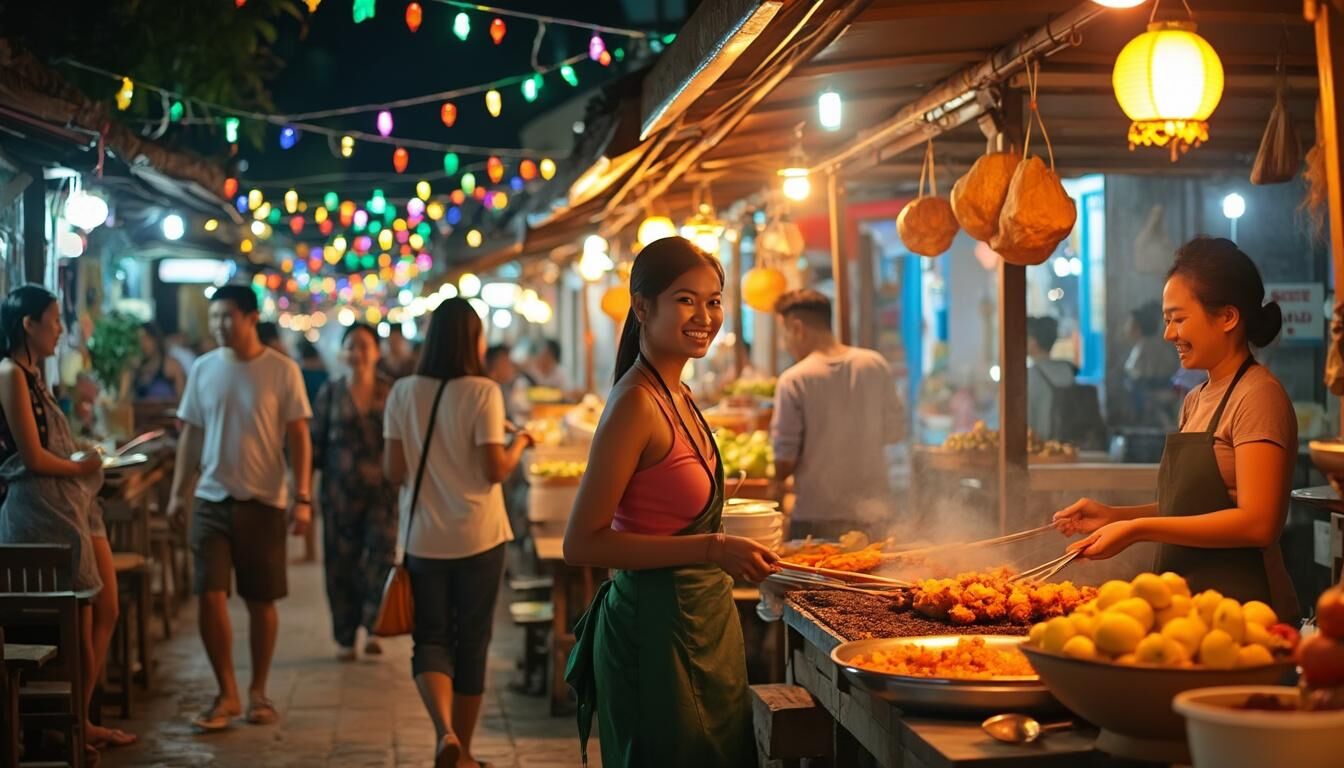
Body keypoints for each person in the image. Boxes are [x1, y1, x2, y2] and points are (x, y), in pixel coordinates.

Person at [564, 237, 778, 767]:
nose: (705, 315)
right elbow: (582, 542)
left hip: (701, 626)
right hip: (655, 636)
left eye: (714, 300)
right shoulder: (637, 403)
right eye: (686, 299)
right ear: (642, 307)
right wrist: (712, 548)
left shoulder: (678, 392)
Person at [1054, 237, 1300, 620]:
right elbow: (1197, 508)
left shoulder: (1258, 396)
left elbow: (1258, 523)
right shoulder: (1197, 398)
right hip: (1188, 608)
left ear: (1227, 317)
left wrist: (1137, 529)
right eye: (1168, 320)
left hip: (1245, 612)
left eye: (1179, 319)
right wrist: (1117, 516)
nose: (1169, 334)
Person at [382, 298, 532, 768]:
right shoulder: (484, 392)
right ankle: (463, 752)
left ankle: (444, 732)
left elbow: (393, 470)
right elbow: (494, 470)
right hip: (479, 538)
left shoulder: (402, 392)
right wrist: (521, 440)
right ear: (473, 339)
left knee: (429, 637)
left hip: (424, 538)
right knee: (472, 640)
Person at [167, 284, 314, 731]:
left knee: (260, 600)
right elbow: (191, 433)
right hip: (211, 497)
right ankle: (226, 691)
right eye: (214, 318)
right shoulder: (204, 369)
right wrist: (179, 491)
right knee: (209, 593)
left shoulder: (282, 370)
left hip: (264, 501)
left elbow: (299, 436)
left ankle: (258, 692)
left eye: (227, 316)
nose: (218, 326)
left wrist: (302, 496)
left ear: (251, 318)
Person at [0, 285, 136, 755]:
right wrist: (80, 466)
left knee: (105, 609)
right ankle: (72, 724)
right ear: (28, 325)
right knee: (74, 622)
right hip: (39, 512)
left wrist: (80, 458)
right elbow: (33, 457)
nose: (61, 329)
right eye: (54, 320)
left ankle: (79, 717)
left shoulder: (38, 374)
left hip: (68, 506)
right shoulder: (9, 373)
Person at [771, 289, 906, 539]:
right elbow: (895, 432)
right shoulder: (874, 364)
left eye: (784, 334)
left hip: (815, 518)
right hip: (874, 514)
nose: (785, 343)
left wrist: (776, 481)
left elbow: (784, 460)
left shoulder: (793, 380)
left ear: (797, 327)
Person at [310, 323, 396, 662]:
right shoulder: (330, 392)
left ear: (376, 351)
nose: (357, 353)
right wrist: (302, 489)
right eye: (351, 346)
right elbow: (314, 442)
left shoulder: (391, 393)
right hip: (338, 494)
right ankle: (345, 634)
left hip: (382, 495)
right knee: (340, 563)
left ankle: (375, 626)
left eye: (364, 346)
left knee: (381, 558)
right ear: (342, 352)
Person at [1123, 302, 1180, 427]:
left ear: (1138, 327)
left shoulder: (1144, 347)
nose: (1126, 328)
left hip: (1153, 399)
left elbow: (1134, 373)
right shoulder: (1157, 345)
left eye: (1130, 324)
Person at [1025, 315, 1076, 440]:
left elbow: (1027, 421)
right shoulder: (1067, 370)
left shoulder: (1030, 375)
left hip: (1042, 448)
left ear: (1033, 342)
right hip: (1068, 445)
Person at [134, 322, 186, 400]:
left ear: (156, 339)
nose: (143, 344)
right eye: (139, 340)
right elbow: (124, 401)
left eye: (146, 339)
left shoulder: (172, 366)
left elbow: (183, 400)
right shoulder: (136, 368)